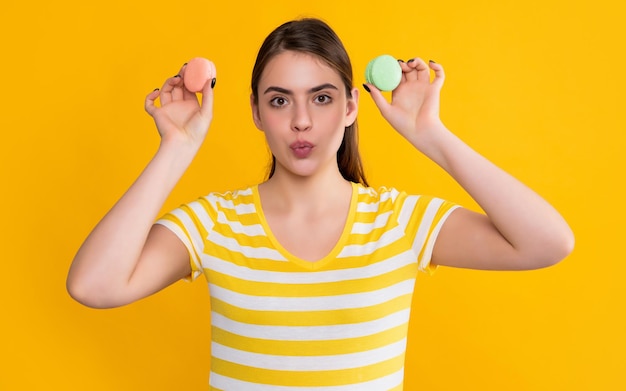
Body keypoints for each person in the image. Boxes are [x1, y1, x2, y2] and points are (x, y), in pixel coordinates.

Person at [67, 18, 574, 390]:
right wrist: (175, 149)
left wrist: (431, 136)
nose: (302, 121)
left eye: (323, 98)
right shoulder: (216, 223)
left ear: (352, 106)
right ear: (256, 112)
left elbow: (548, 242)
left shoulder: (399, 222)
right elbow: (93, 285)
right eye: (280, 100)